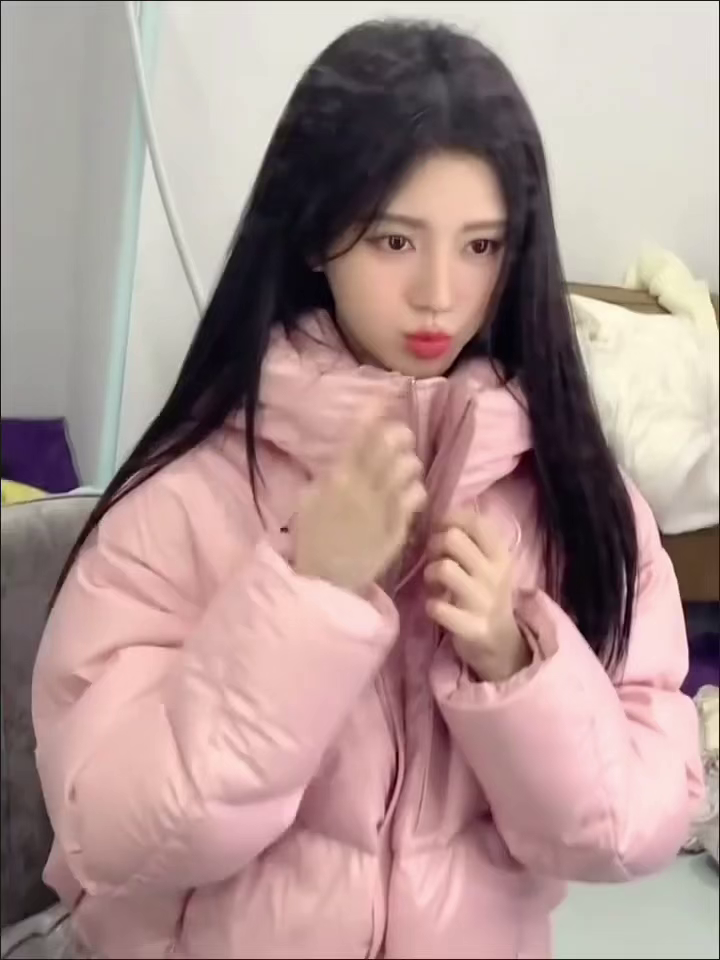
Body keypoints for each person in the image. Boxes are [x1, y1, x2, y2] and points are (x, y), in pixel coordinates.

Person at [32, 18, 703, 960]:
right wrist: (305, 597)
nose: (439, 294)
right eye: (394, 240)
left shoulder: (581, 502)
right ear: (317, 235)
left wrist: (519, 663)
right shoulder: (190, 495)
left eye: (481, 247)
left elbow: (632, 829)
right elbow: (111, 837)